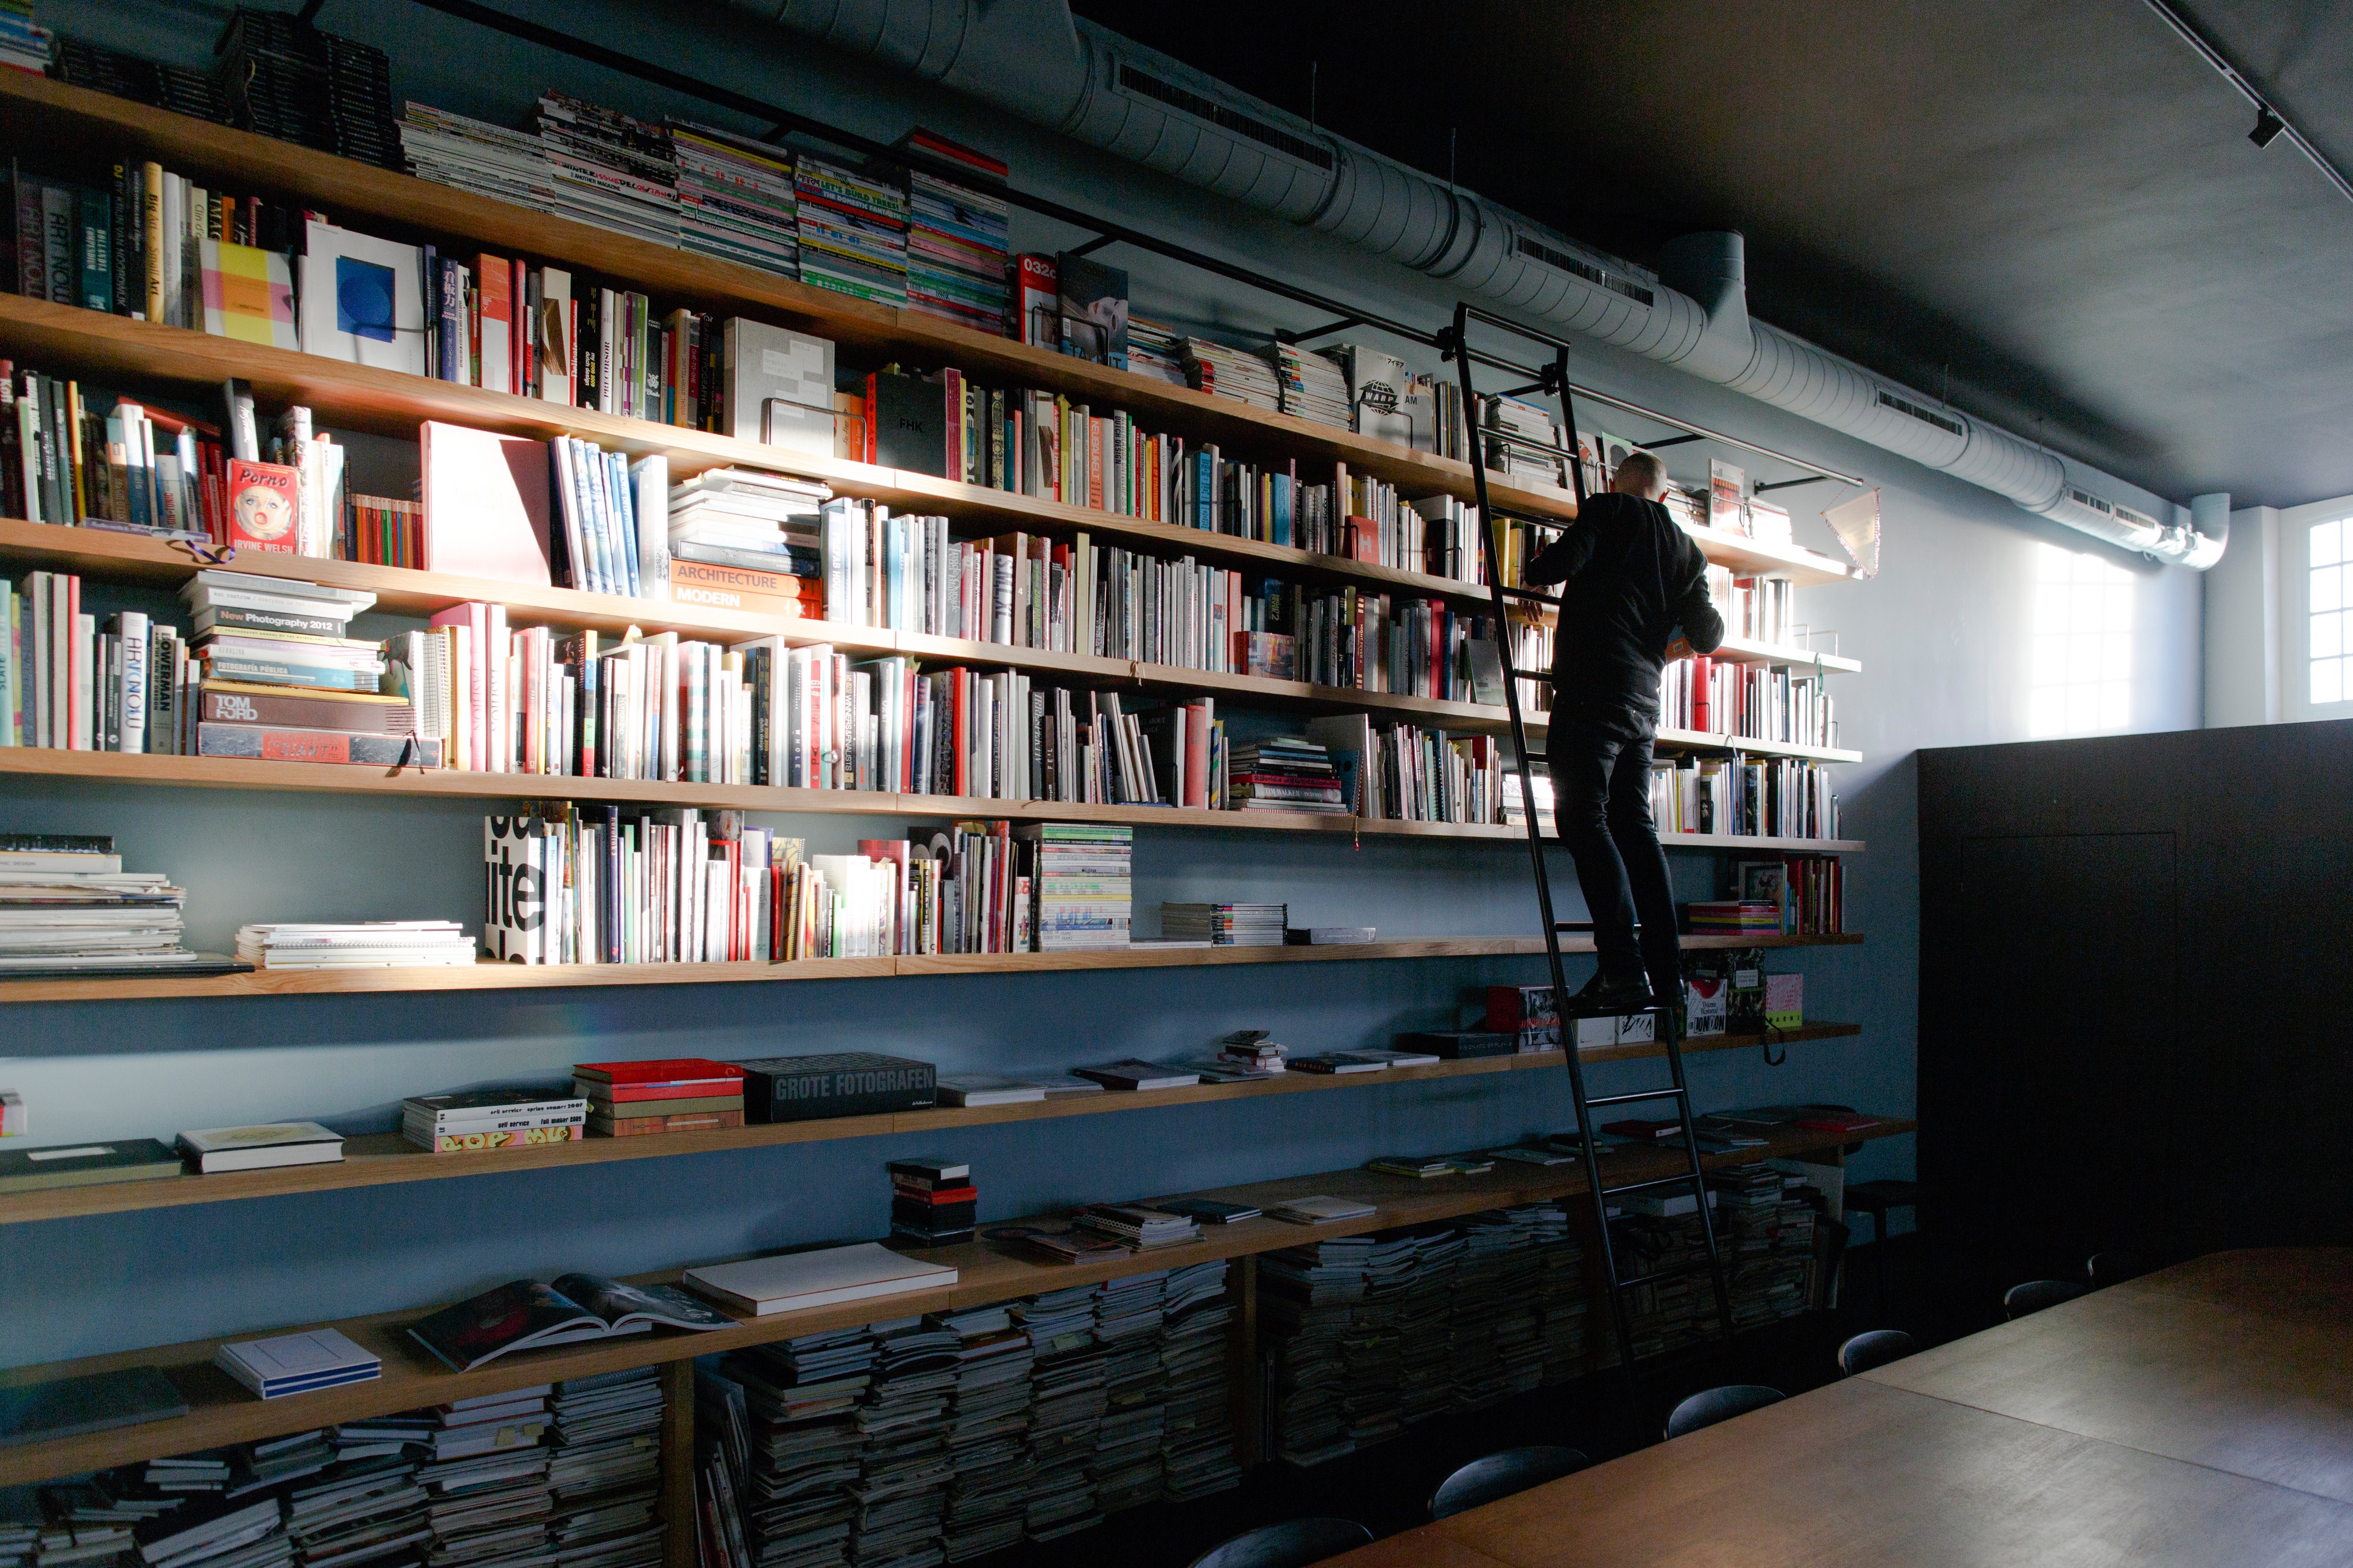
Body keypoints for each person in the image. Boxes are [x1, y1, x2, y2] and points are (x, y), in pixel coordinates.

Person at [1521, 450, 1724, 1012]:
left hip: (1592, 694)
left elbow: (1561, 563)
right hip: (1644, 708)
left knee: (1582, 818)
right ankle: (1668, 977)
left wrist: (1530, 575)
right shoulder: (1687, 550)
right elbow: (1708, 635)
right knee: (1636, 829)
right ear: (1664, 496)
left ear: (1616, 483)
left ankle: (1622, 968)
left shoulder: (1606, 510)